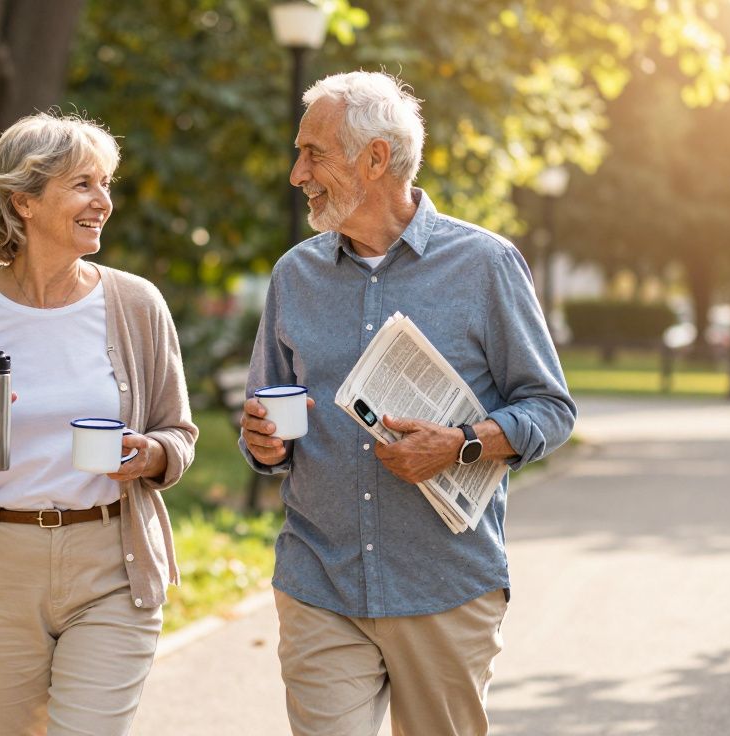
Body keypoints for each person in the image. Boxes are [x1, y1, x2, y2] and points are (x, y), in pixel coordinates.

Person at [239, 71, 576, 736]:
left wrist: (460, 444)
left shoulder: (484, 266)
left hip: (443, 584)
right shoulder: (295, 276)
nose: (295, 172)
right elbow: (264, 418)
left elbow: (550, 409)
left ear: (376, 158)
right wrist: (261, 442)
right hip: (319, 578)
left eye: (314, 153)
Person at [0, 111, 198, 736]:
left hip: (111, 562)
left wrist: (149, 454)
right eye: (84, 185)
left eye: (106, 183)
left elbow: (180, 433)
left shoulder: (136, 304)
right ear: (25, 201)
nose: (104, 202)